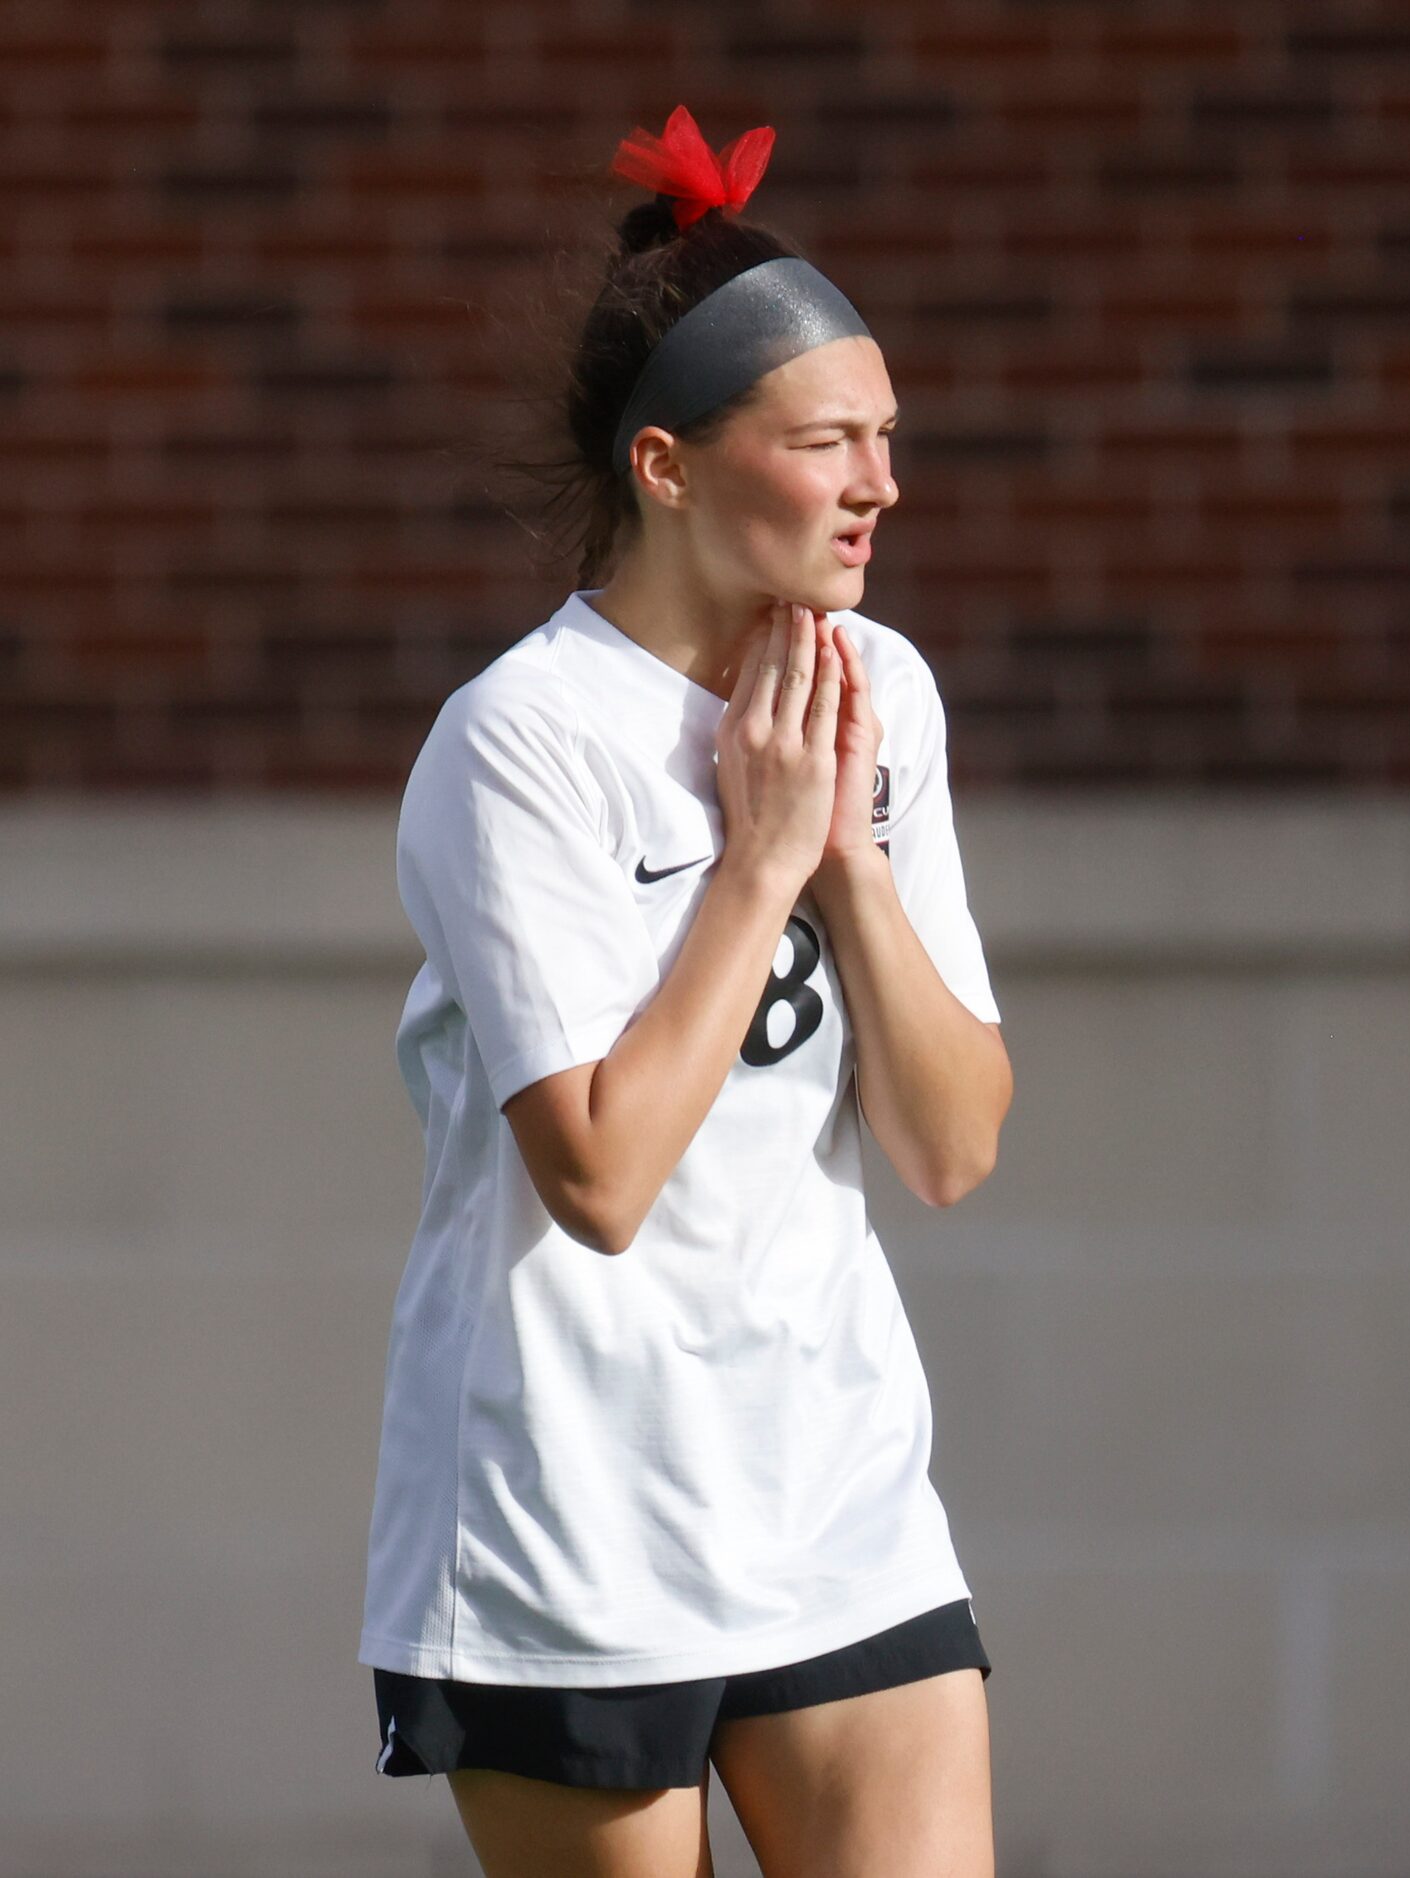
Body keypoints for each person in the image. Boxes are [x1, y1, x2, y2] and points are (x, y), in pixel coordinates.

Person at [358, 108, 1011, 1876]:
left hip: (838, 1506)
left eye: (889, 437)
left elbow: (952, 1145)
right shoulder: (521, 744)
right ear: (668, 465)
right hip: (567, 1533)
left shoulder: (884, 693)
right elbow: (599, 1177)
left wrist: (850, 859)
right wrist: (755, 863)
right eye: (827, 442)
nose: (882, 483)